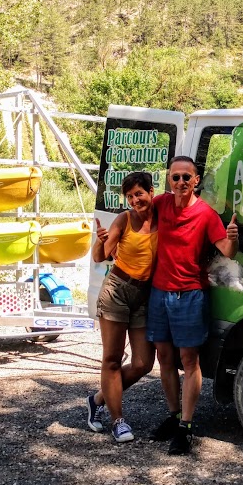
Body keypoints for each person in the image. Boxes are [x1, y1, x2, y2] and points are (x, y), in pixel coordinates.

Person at [148, 156, 238, 455]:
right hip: (160, 292)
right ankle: (173, 416)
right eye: (176, 177)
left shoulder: (206, 214)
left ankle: (186, 426)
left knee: (189, 361)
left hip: (190, 294)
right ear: (169, 179)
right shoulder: (160, 204)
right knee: (164, 357)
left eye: (187, 177)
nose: (181, 182)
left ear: (196, 180)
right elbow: (135, 210)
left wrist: (233, 237)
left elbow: (226, 249)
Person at [85, 172, 159, 443]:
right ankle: (118, 421)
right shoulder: (124, 219)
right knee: (112, 359)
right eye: (129, 196)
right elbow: (99, 256)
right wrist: (100, 239)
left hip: (143, 295)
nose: (134, 200)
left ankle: (97, 400)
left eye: (139, 194)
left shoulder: (162, 217)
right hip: (117, 290)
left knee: (143, 363)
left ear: (151, 191)